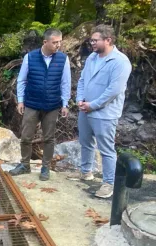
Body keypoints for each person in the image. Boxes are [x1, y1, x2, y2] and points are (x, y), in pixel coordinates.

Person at [69, 24, 132, 198]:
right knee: (85, 142)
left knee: (106, 149)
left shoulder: (120, 62)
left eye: (95, 40)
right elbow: (82, 80)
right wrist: (80, 100)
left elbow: (113, 91)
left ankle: (108, 183)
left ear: (108, 40)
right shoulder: (92, 58)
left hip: (105, 114)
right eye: (91, 40)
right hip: (85, 110)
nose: (92, 43)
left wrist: (93, 105)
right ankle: (86, 172)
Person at [9, 29, 71, 181]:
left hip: (52, 105)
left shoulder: (63, 59)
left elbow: (65, 83)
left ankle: (46, 167)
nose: (58, 45)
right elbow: (22, 80)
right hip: (32, 103)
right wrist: (21, 101)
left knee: (49, 138)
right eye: (55, 42)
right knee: (25, 136)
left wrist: (65, 103)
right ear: (45, 42)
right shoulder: (30, 57)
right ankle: (24, 165)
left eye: (60, 42)